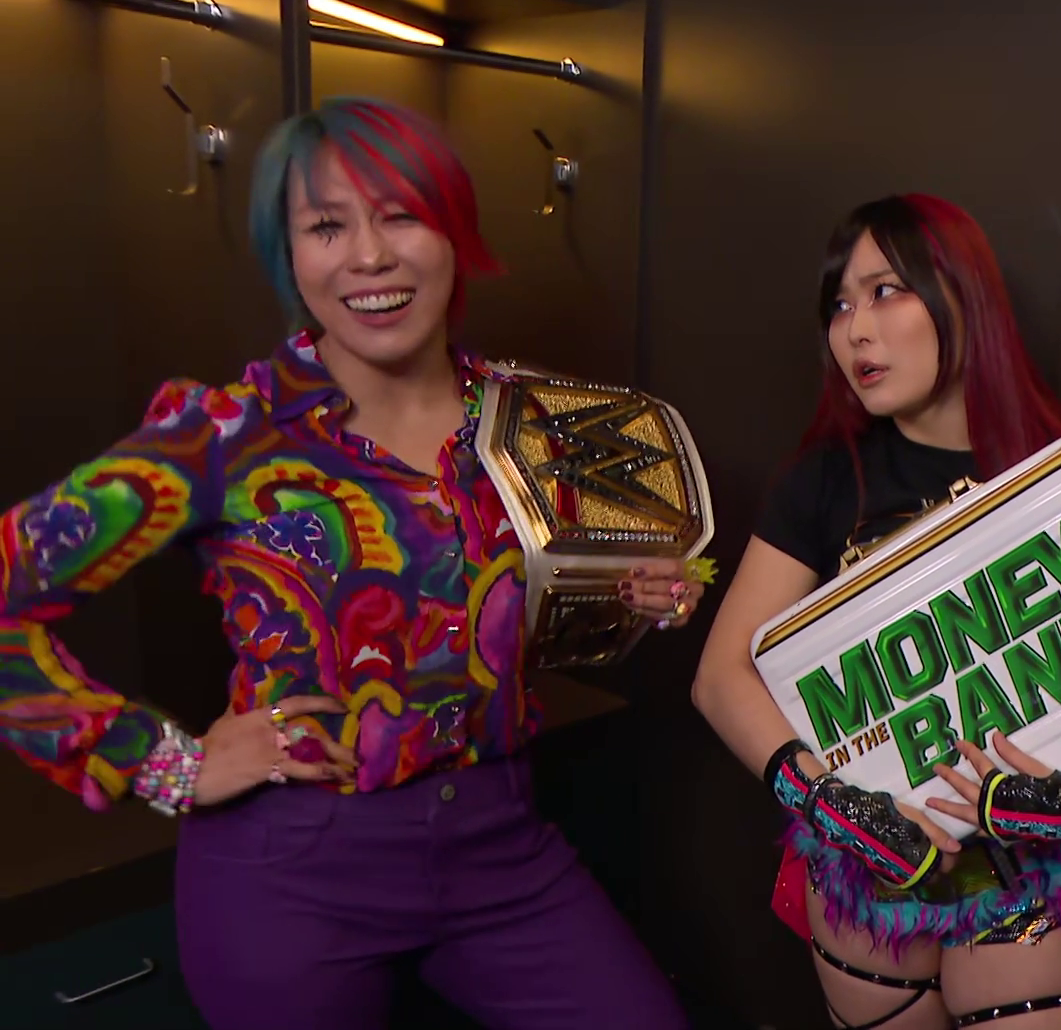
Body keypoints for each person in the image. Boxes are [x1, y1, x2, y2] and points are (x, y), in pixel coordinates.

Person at [0, 97, 705, 1029]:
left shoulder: (526, 419)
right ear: (289, 255)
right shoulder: (227, 434)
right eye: (326, 226)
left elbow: (534, 611)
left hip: (501, 844)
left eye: (400, 215)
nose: (368, 256)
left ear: (453, 233)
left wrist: (635, 597)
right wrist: (169, 766)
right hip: (292, 875)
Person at [692, 193, 1061, 1029]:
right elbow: (718, 677)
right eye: (840, 305)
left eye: (885, 291)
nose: (855, 330)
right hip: (875, 875)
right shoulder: (824, 479)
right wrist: (830, 802)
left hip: (1027, 874)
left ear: (963, 297)